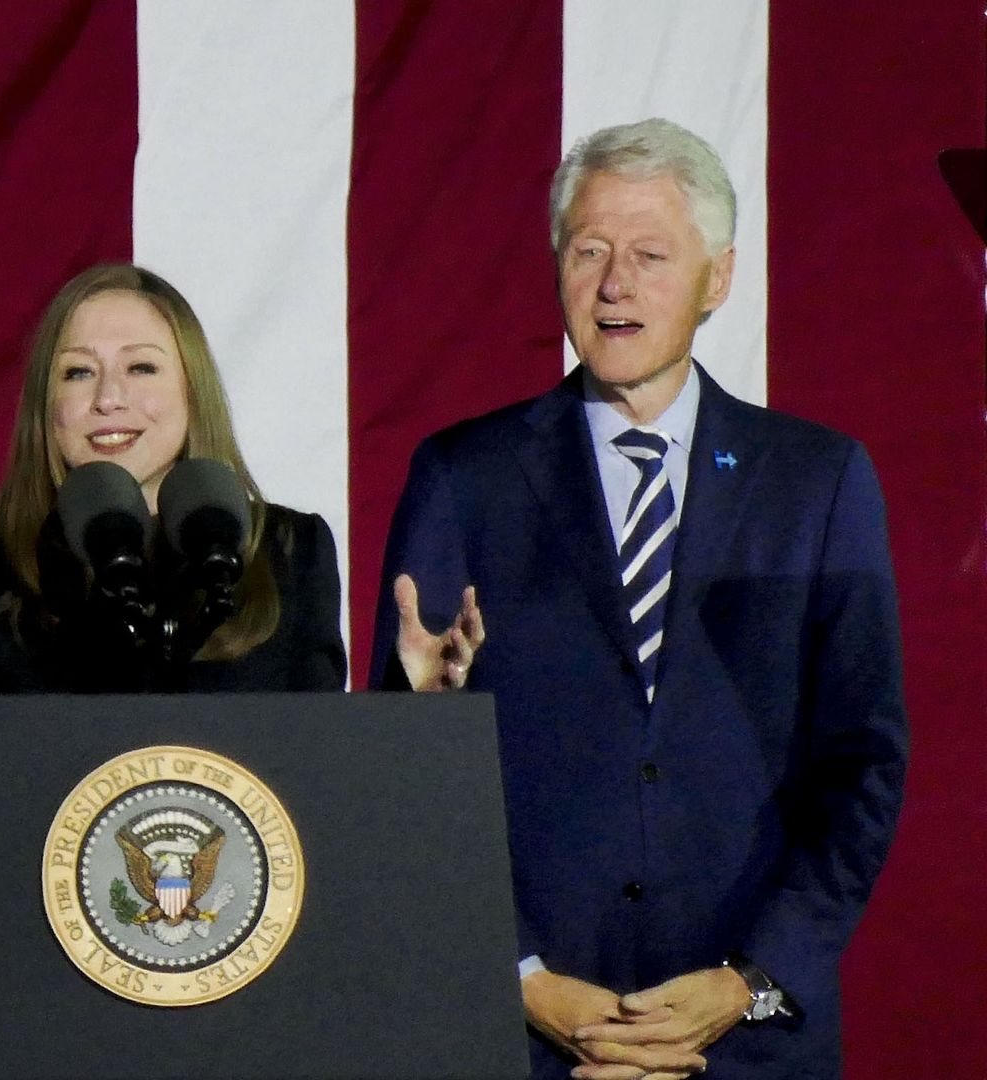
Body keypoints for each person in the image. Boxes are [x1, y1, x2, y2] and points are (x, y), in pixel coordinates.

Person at [371, 118, 907, 1079]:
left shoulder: (816, 481)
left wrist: (748, 981)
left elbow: (864, 765)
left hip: (748, 1040)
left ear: (718, 279)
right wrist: (523, 980)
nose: (614, 283)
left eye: (650, 255)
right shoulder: (463, 477)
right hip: (525, 1043)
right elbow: (408, 771)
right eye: (589, 252)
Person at [0, 262, 346, 694]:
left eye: (141, 368)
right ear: (48, 407)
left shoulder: (287, 553)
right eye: (78, 372)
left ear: (192, 391)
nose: (108, 398)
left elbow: (329, 765)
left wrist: (422, 693)